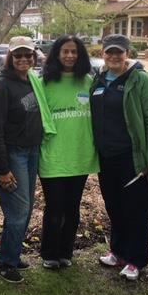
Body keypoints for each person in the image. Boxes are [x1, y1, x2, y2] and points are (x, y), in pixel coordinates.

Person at [90, 34, 148, 281]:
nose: (114, 56)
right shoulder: (98, 81)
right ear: (103, 53)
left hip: (133, 158)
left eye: (118, 52)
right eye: (109, 52)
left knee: (137, 209)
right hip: (107, 157)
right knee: (115, 206)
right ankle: (118, 252)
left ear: (127, 53)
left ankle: (135, 260)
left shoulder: (141, 80)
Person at [36, 36, 99, 270]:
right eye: (65, 51)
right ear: (57, 54)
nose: (70, 56)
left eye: (74, 52)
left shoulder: (89, 82)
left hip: (80, 155)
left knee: (72, 208)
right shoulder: (45, 83)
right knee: (54, 207)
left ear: (80, 55)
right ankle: (49, 253)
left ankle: (65, 252)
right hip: (52, 156)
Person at [0, 36, 44, 283]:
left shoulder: (31, 80)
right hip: (13, 154)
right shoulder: (3, 85)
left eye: (28, 55)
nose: (23, 59)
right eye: (18, 55)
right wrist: (2, 168)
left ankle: (13, 254)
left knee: (26, 208)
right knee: (17, 211)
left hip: (31, 151)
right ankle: (3, 262)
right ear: (10, 57)